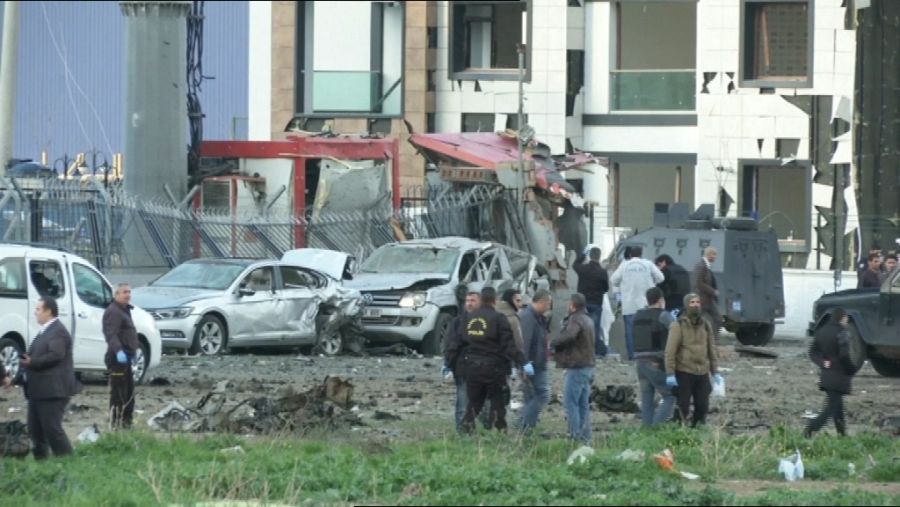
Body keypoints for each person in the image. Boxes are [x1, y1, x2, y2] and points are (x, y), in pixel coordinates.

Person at [460, 287, 529, 433]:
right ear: (494, 301)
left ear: (481, 299)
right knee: (498, 402)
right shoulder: (498, 318)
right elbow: (508, 345)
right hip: (494, 367)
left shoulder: (469, 318)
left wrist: (452, 362)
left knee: (473, 402)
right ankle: (499, 433)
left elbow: (461, 342)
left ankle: (466, 430)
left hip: (472, 367)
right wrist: (522, 361)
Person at [19, 297, 78, 459]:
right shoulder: (45, 331)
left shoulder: (57, 331)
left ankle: (68, 462)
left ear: (48, 311)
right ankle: (42, 466)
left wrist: (33, 361)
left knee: (52, 429)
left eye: (38, 309)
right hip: (39, 390)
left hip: (53, 390)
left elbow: (56, 355)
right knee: (35, 430)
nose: (35, 312)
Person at [665, 293, 720, 427]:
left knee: (702, 406)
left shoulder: (706, 325)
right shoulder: (678, 325)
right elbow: (670, 351)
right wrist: (670, 373)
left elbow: (711, 349)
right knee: (683, 406)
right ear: (686, 305)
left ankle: (697, 431)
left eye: (697, 302)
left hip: (702, 372)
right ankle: (678, 431)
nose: (696, 305)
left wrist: (715, 371)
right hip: (684, 371)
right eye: (692, 303)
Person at [805, 308, 858, 437]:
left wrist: (822, 362)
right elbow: (844, 355)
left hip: (827, 375)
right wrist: (852, 369)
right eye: (846, 318)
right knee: (830, 409)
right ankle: (810, 429)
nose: (847, 321)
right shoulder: (842, 333)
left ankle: (842, 435)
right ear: (841, 318)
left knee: (837, 407)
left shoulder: (821, 332)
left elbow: (812, 352)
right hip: (839, 376)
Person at [551, 293, 596, 444]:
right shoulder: (588, 319)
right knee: (583, 403)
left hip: (577, 367)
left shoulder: (576, 319)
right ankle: (585, 438)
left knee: (571, 403)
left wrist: (554, 342)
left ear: (573, 305)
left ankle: (575, 437)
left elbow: (569, 336)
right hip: (588, 366)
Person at [610, 246, 665, 360]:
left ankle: (632, 357)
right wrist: (651, 282)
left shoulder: (624, 265)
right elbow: (661, 278)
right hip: (646, 305)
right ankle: (646, 355)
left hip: (629, 305)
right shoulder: (648, 264)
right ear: (641, 254)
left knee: (630, 332)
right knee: (646, 330)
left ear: (630, 255)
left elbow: (613, 280)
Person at [633, 287, 677, 427]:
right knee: (670, 396)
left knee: (647, 399)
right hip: (656, 361)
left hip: (639, 361)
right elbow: (676, 333)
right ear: (661, 301)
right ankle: (655, 428)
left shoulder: (637, 316)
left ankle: (646, 431)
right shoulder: (663, 315)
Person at [103, 283, 139, 429]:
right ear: (116, 295)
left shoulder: (124, 310)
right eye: (124, 292)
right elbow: (111, 334)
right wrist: (119, 351)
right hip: (118, 359)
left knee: (129, 393)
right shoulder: (113, 311)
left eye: (129, 292)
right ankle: (116, 425)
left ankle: (126, 424)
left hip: (127, 358)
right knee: (119, 394)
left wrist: (133, 352)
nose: (128, 295)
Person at [444, 290, 481, 434]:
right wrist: (447, 363)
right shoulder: (459, 322)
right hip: (463, 369)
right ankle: (463, 433)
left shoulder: (488, 321)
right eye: (468, 300)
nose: (469, 303)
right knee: (463, 403)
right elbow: (451, 343)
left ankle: (483, 431)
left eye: (473, 300)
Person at [517, 289, 552, 433]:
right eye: (548, 304)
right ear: (542, 302)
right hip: (533, 364)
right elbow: (525, 342)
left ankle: (526, 428)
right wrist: (524, 364)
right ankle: (524, 425)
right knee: (542, 394)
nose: (549, 307)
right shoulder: (528, 317)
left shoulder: (537, 316)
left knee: (530, 396)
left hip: (537, 362)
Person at [573, 246, 610, 357]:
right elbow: (606, 288)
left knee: (581, 327)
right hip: (596, 303)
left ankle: (581, 349)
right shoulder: (602, 272)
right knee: (594, 328)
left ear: (590, 256)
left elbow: (574, 265)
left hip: (582, 303)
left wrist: (583, 254)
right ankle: (595, 351)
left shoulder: (583, 269)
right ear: (599, 257)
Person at [692, 247, 722, 341]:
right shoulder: (701, 266)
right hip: (702, 299)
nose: (715, 257)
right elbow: (698, 283)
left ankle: (712, 340)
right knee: (706, 320)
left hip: (708, 299)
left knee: (717, 318)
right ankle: (709, 341)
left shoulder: (706, 266)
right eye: (714, 254)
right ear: (709, 254)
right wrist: (713, 291)